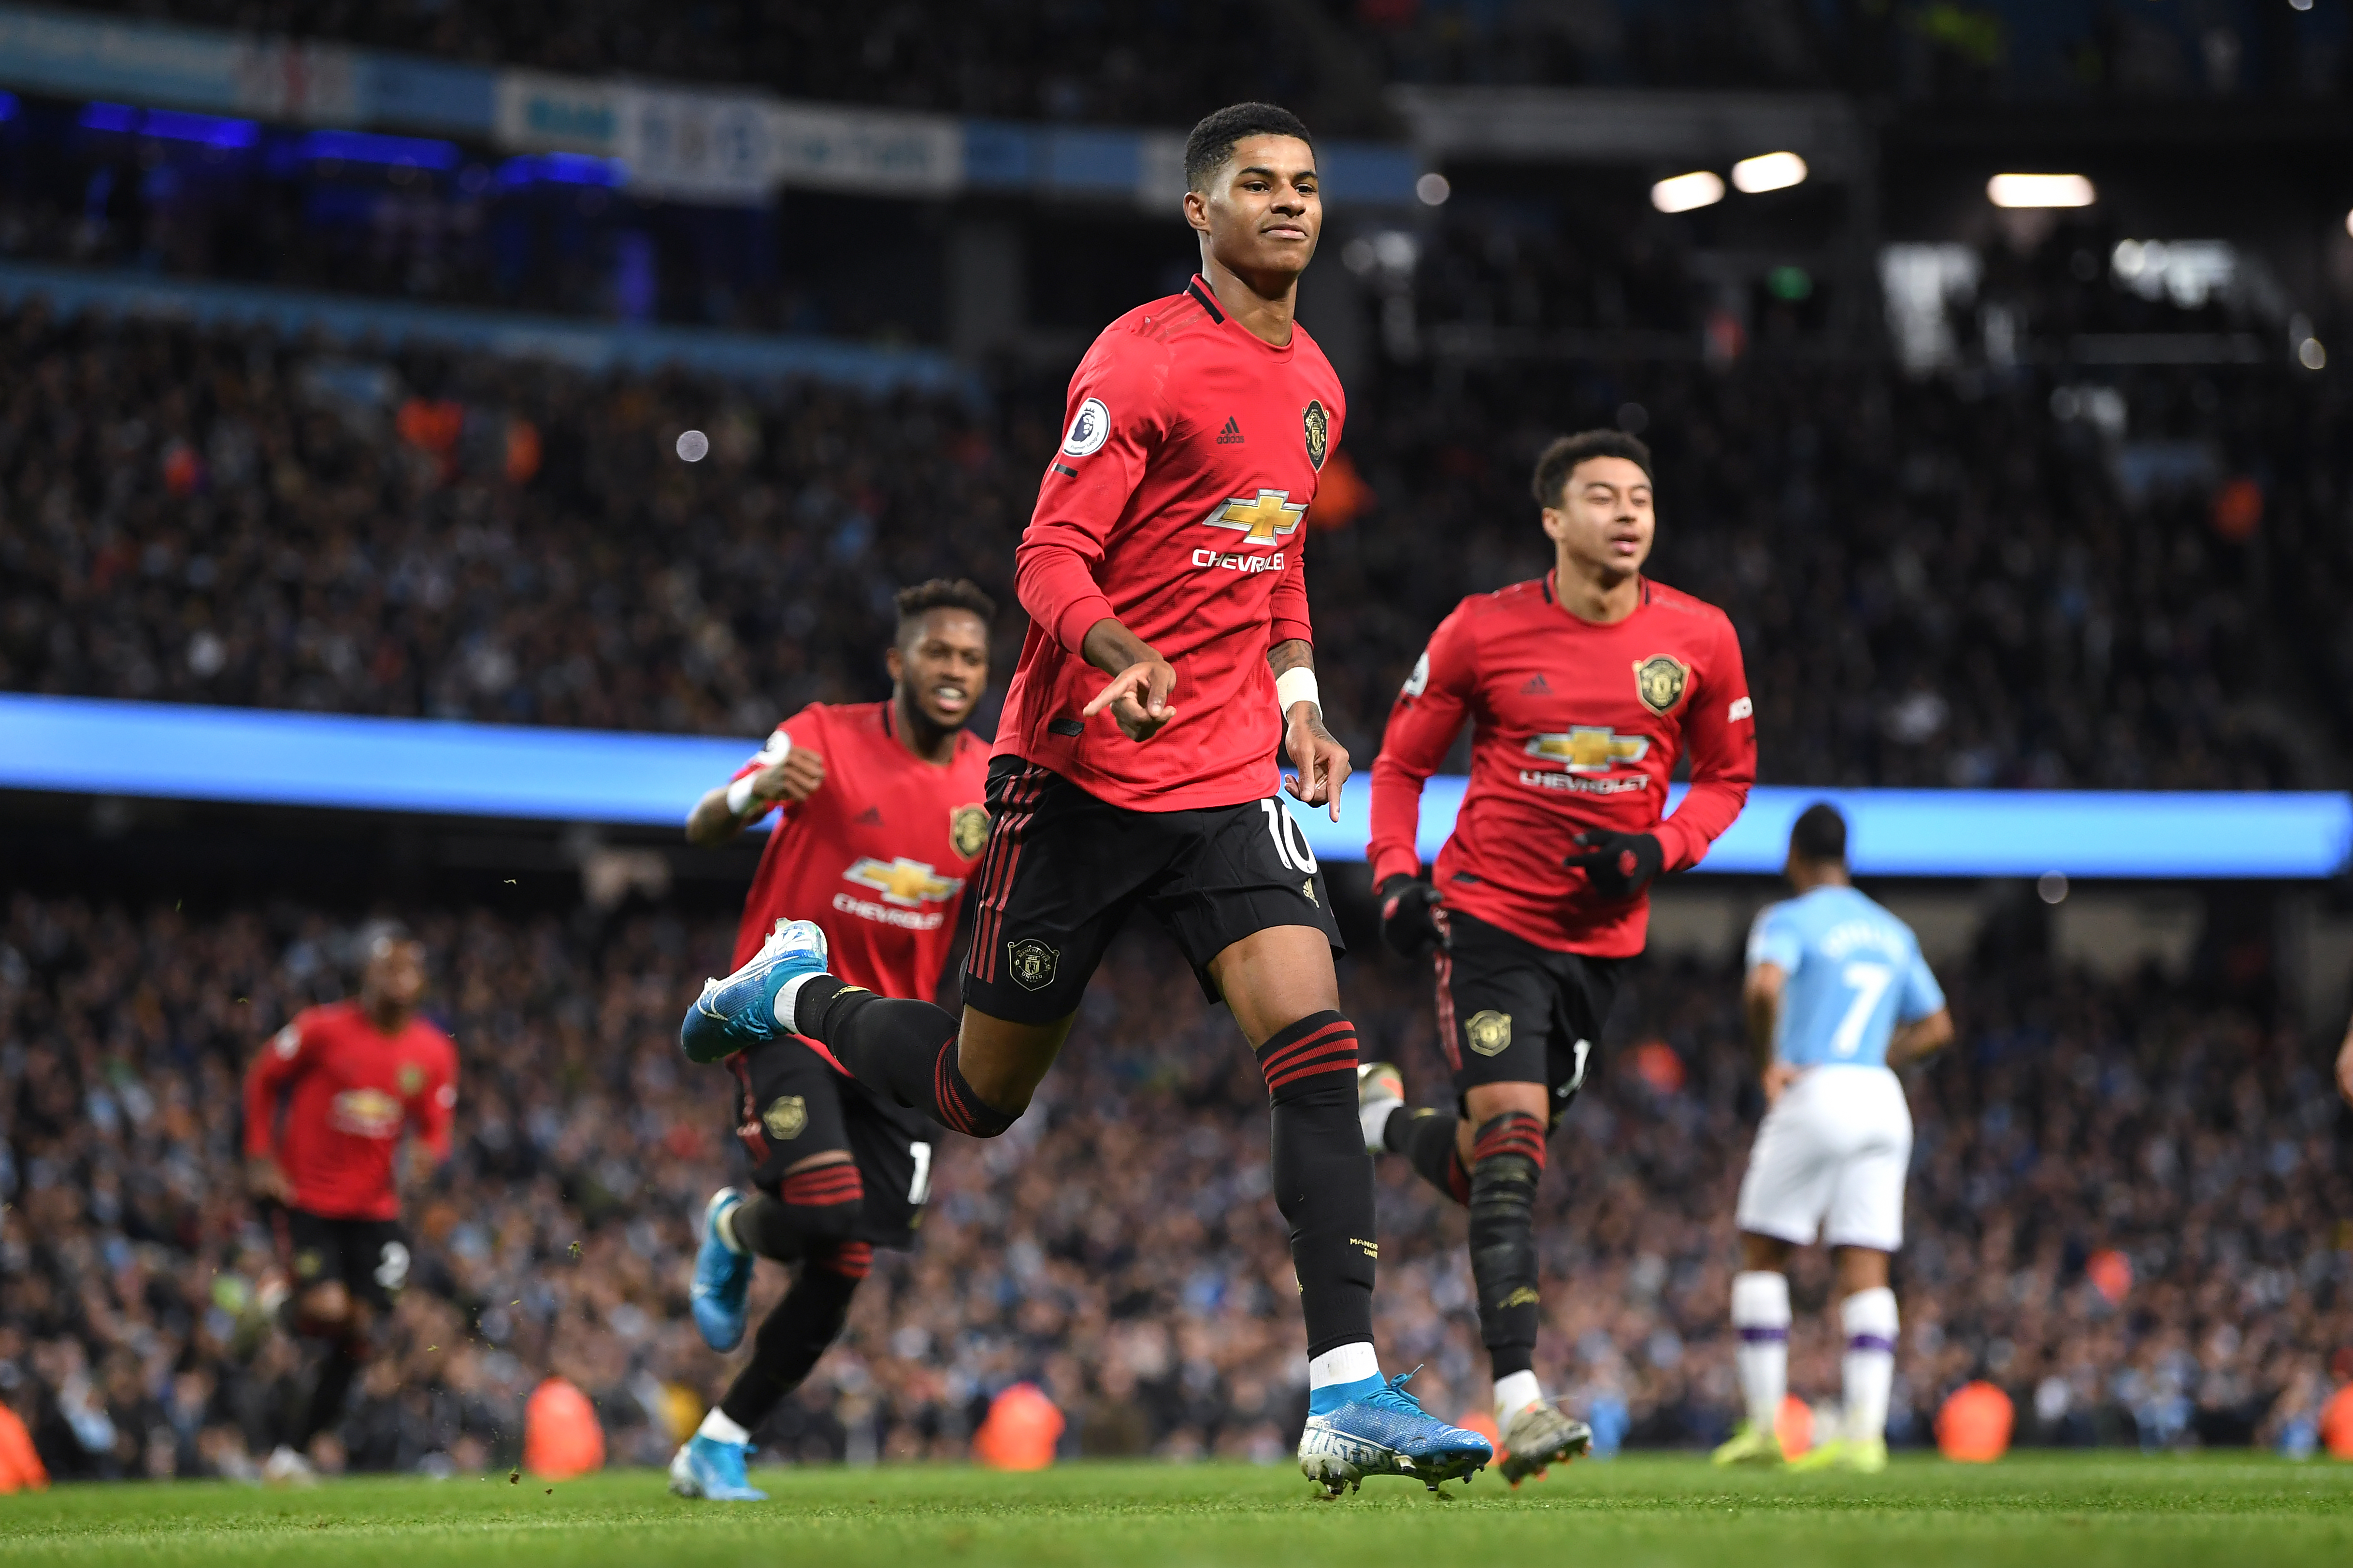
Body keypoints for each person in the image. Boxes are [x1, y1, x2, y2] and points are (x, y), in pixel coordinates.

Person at [680, 101, 1491, 1497]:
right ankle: (793, 995)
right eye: (1259, 186)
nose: (1290, 204)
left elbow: (1274, 559)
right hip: (1076, 769)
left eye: (1305, 185)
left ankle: (1344, 1385)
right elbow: (1046, 555)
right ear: (1201, 211)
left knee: (1313, 1039)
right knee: (973, 1093)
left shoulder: (1316, 381)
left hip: (1227, 773)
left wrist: (1297, 699)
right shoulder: (1139, 356)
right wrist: (1122, 657)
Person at [1356, 428, 1755, 1484]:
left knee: (1503, 1160)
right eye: (1600, 497)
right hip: (1485, 918)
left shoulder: (1701, 639)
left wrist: (1656, 847)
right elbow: (1396, 767)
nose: (1627, 514)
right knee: (1515, 1140)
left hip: (1600, 945)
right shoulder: (1481, 632)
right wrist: (1395, 876)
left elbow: (1725, 779)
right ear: (1552, 519)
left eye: (1641, 497)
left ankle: (1382, 1121)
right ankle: (1519, 1402)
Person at [668, 578, 995, 1502]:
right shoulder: (818, 734)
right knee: (821, 1208)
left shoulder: (987, 782)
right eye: (939, 652)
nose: (956, 671)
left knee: (849, 1253)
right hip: (782, 1015)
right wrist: (761, 791)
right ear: (899, 662)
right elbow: (704, 822)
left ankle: (720, 1442)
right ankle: (733, 1224)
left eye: (971, 658)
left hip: (894, 1043)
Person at [1708, 802, 1953, 1472]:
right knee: (1866, 1262)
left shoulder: (1785, 919)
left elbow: (1763, 987)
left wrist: (1767, 1059)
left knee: (1762, 1251)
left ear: (1793, 854)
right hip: (1881, 1095)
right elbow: (1937, 1026)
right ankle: (1864, 1436)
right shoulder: (1891, 930)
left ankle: (1763, 1428)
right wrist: (1882, 1056)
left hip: (1815, 1087)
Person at [242, 923, 456, 1482]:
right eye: (389, 966)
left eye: (410, 967)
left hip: (375, 1209)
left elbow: (435, 1125)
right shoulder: (322, 1029)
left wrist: (428, 1155)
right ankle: (281, 1304)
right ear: (368, 973)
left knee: (361, 1328)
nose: (400, 977)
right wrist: (260, 1154)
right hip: (310, 1198)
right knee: (330, 1311)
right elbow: (264, 1076)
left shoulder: (431, 1051)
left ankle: (294, 1452)